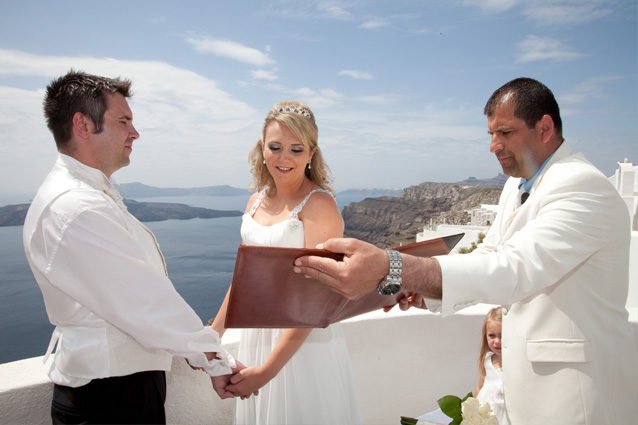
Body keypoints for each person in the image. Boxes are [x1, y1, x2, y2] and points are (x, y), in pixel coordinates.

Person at [293, 78, 638, 424]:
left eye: (505, 132)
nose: (493, 145)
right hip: (524, 397)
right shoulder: (515, 187)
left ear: (545, 127)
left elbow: (514, 269)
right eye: (491, 133)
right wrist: (424, 290)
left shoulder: (583, 186)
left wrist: (391, 266)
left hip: (574, 396)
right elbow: (488, 255)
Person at [23, 70, 244, 424]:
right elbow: (146, 304)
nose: (134, 132)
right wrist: (215, 358)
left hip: (112, 386)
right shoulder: (78, 206)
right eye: (123, 120)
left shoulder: (85, 195)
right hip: (109, 398)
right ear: (83, 125)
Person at [211, 100, 362, 424]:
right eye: (275, 147)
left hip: (302, 346)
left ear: (311, 153)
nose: (283, 158)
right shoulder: (255, 200)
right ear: (262, 148)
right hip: (256, 335)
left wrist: (267, 372)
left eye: (296, 149)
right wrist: (213, 335)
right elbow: (243, 279)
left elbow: (317, 298)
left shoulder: (319, 205)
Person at [474, 307, 508, 425]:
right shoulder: (487, 360)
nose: (497, 341)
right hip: (486, 412)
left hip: (505, 414)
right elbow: (480, 386)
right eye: (492, 335)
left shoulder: (514, 363)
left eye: (502, 335)